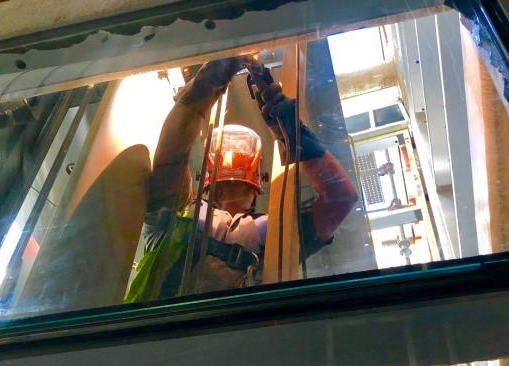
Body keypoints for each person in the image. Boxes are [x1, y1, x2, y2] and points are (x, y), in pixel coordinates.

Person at [125, 56, 358, 302]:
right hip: (157, 333)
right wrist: (210, 79)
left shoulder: (277, 229)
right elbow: (172, 156)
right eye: (226, 156)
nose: (232, 159)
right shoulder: (181, 212)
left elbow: (341, 200)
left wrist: (294, 131)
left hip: (234, 334)